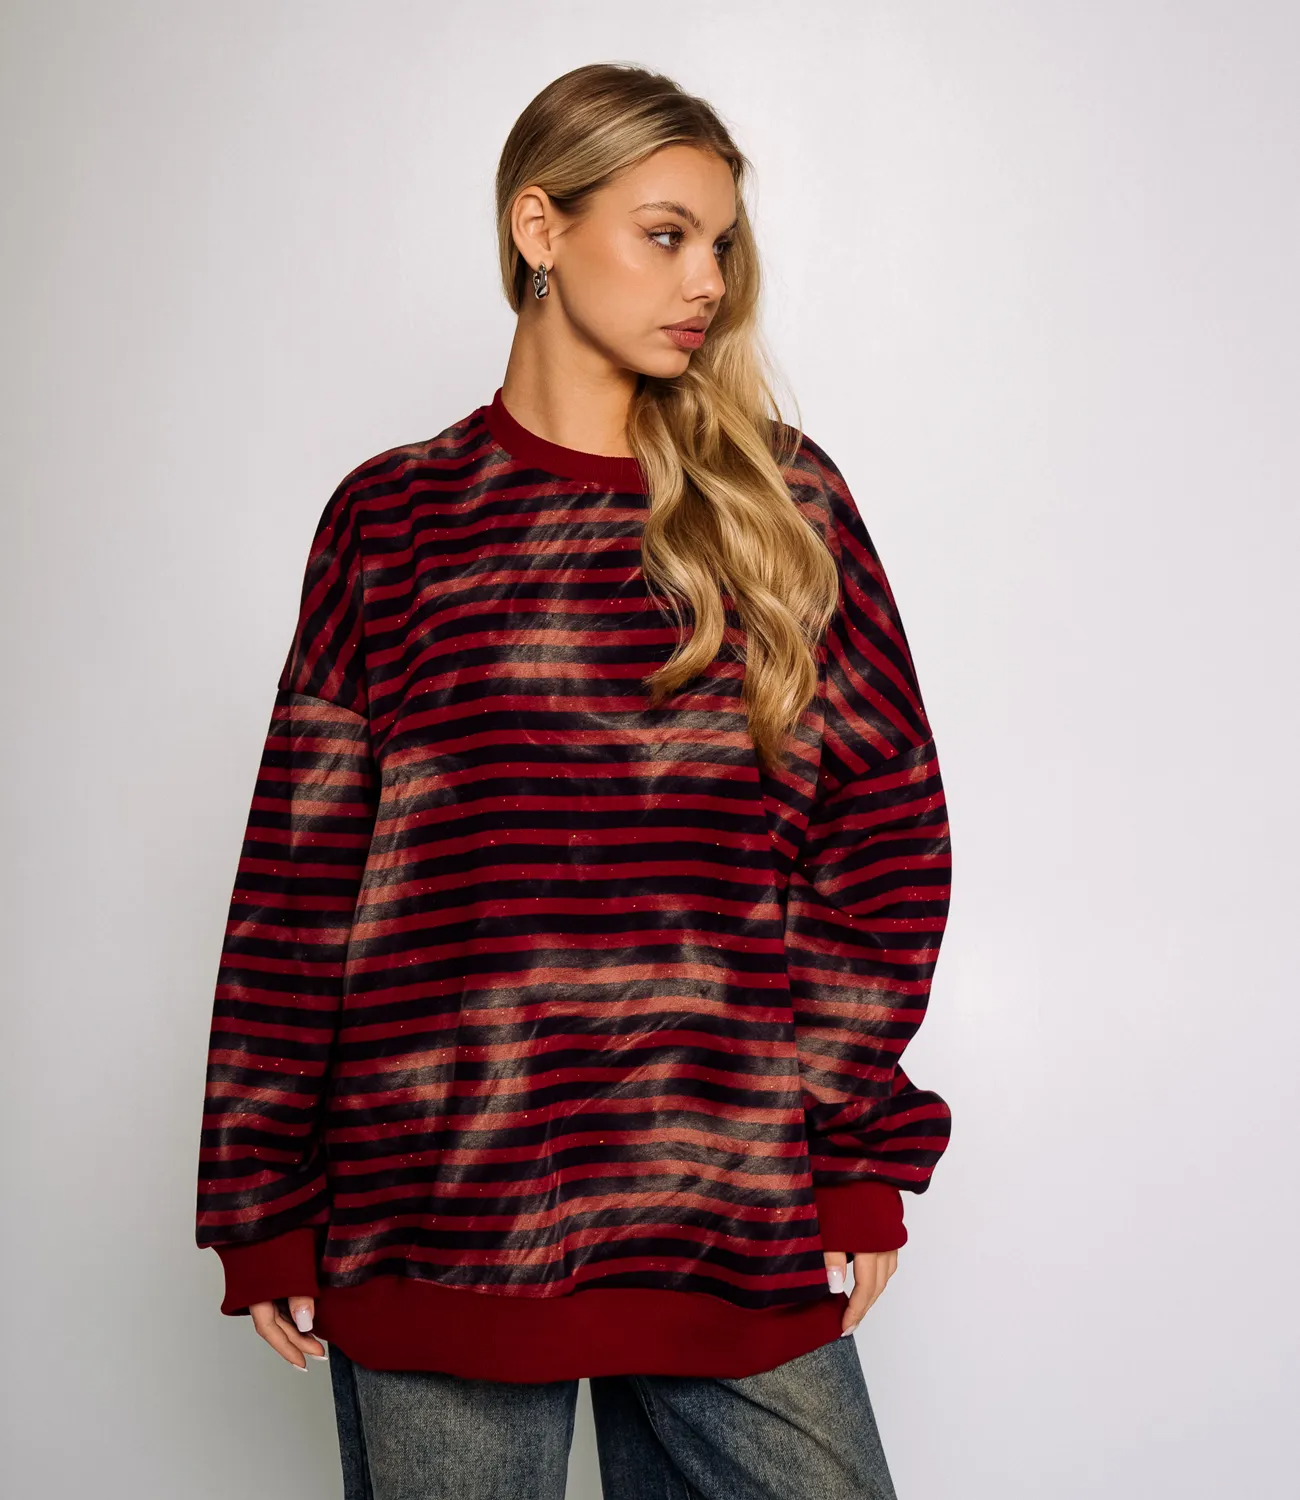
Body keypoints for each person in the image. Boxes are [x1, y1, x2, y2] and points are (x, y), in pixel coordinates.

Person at [196, 61, 952, 1500]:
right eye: (666, 235)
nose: (707, 280)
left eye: (720, 243)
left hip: (723, 1193)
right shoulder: (393, 517)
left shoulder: (785, 509)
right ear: (539, 227)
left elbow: (884, 839)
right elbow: (300, 878)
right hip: (439, 1207)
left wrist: (854, 1149)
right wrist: (263, 1195)